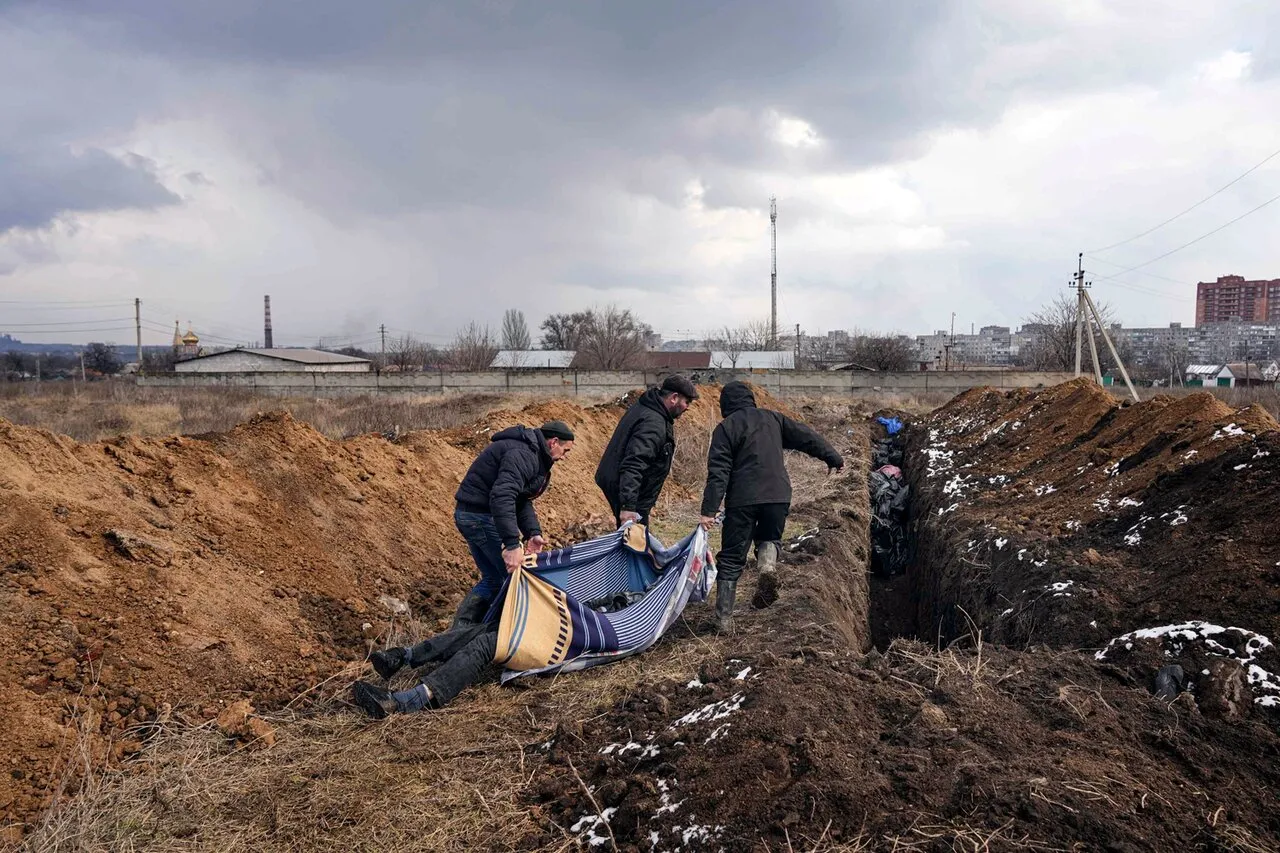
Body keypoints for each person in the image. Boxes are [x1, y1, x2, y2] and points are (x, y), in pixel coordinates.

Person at [698, 382, 843, 632]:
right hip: (778, 494)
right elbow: (806, 437)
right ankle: (767, 567)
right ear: (751, 399)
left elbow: (718, 473)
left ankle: (723, 620)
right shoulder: (773, 419)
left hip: (743, 499)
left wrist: (708, 511)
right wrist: (833, 457)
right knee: (770, 538)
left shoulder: (725, 428)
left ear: (725, 404)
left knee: (732, 557)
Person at [447, 420, 575, 628]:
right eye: (565, 450)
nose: (565, 456)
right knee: (514, 578)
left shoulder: (532, 453)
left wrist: (532, 532)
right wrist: (512, 544)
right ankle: (505, 632)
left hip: (470, 514)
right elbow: (503, 496)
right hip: (479, 517)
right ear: (553, 442)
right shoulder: (523, 454)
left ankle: (461, 631)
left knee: (494, 578)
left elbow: (520, 498)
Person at [595, 374, 698, 528]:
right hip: (629, 492)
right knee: (635, 541)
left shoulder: (648, 408)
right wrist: (628, 507)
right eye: (687, 402)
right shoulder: (653, 423)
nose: (688, 408)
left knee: (637, 539)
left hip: (626, 488)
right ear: (674, 398)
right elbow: (634, 463)